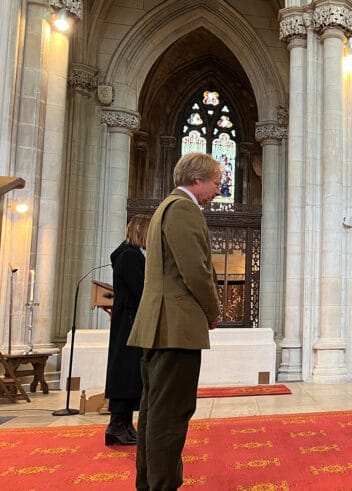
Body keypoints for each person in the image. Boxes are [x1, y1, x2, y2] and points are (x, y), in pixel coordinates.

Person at [127, 152, 222, 489]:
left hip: (160, 325)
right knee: (171, 413)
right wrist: (213, 310)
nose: (218, 190)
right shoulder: (183, 208)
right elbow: (195, 270)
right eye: (216, 183)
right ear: (197, 179)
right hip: (175, 327)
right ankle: (163, 484)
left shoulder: (165, 208)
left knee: (154, 412)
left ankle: (149, 482)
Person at [104, 214, 150, 446]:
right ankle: (116, 425)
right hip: (129, 323)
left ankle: (124, 424)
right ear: (141, 232)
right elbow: (140, 290)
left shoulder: (131, 255)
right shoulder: (129, 257)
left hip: (130, 321)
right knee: (125, 373)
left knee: (132, 374)